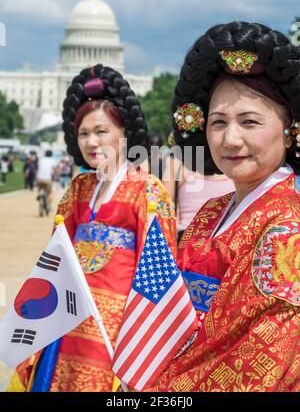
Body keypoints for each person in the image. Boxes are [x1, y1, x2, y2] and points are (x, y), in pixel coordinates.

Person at [148, 21, 300, 392]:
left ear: (289, 129)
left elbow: (264, 354)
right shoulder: (210, 213)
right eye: (218, 122)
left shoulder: (290, 225)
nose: (231, 139)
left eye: (249, 121)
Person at [9, 64, 176, 392]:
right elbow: (56, 257)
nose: (92, 142)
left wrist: (140, 337)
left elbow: (159, 274)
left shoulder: (148, 190)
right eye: (83, 133)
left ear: (123, 132)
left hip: (115, 331)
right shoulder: (80, 188)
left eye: (101, 131)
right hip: (68, 322)